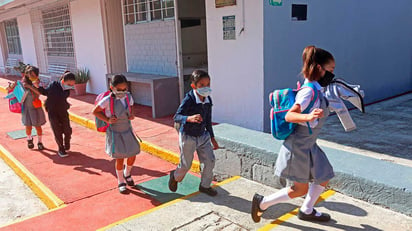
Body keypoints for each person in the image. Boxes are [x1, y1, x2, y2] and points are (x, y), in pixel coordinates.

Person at [251, 45, 336, 222]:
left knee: (324, 176)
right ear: (319, 68)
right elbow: (290, 115)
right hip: (298, 146)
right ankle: (262, 203)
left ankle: (306, 210)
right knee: (299, 189)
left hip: (309, 144)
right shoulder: (308, 91)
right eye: (331, 69)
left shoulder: (316, 88)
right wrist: (308, 116)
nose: (332, 74)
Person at [168, 70, 220, 196]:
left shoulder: (208, 100)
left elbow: (208, 120)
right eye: (201, 85)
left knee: (210, 161)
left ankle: (205, 186)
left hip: (203, 136)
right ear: (193, 86)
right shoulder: (189, 99)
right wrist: (189, 118)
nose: (205, 87)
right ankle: (175, 177)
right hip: (188, 136)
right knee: (186, 164)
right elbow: (176, 117)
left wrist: (212, 138)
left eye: (208, 84)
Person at [92, 74, 140, 194]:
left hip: (127, 129)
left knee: (133, 153)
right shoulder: (107, 100)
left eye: (125, 89)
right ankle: (121, 181)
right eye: (119, 90)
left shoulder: (128, 97)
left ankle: (127, 173)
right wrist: (107, 120)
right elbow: (95, 111)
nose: (122, 92)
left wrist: (132, 114)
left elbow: (132, 106)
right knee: (119, 158)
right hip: (115, 132)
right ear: (112, 87)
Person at [26, 71, 75, 158]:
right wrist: (37, 86)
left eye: (72, 85)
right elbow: (45, 92)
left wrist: (66, 104)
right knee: (57, 131)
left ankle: (67, 142)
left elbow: (63, 99)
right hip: (53, 112)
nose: (71, 86)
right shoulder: (54, 85)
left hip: (63, 111)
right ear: (63, 81)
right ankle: (61, 149)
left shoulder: (67, 90)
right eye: (69, 84)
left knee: (67, 130)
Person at [21, 66, 47, 150]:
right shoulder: (23, 82)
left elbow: (39, 93)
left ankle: (40, 142)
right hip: (27, 108)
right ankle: (29, 139)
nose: (30, 76)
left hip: (35, 107)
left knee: (38, 126)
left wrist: (29, 86)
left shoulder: (36, 82)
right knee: (28, 126)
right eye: (29, 74)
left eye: (32, 74)